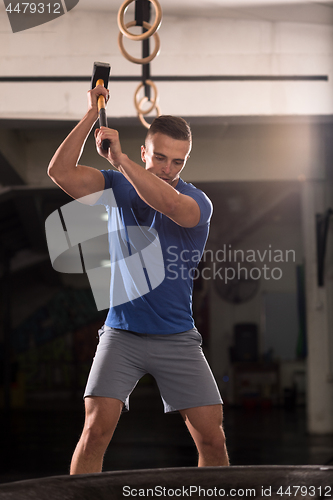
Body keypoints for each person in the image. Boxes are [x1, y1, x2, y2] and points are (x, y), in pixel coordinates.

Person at [47, 84, 229, 474]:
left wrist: (120, 160)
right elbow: (59, 172)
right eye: (159, 157)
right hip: (121, 335)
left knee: (212, 439)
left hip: (177, 337)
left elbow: (164, 201)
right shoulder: (116, 187)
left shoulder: (198, 203)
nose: (167, 169)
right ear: (146, 151)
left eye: (177, 162)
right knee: (94, 432)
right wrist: (92, 115)